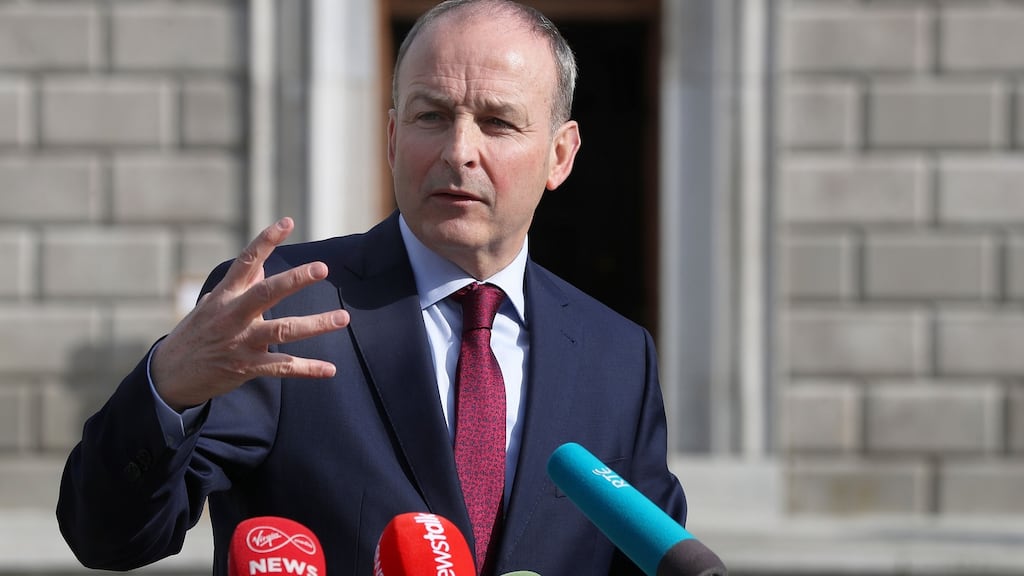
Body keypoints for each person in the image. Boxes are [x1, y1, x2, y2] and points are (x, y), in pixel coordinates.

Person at [56, 1, 687, 575]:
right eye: (431, 116)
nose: (459, 151)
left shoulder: (616, 355)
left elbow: (651, 556)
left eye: (497, 123)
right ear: (391, 138)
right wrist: (168, 385)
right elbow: (109, 538)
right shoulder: (282, 307)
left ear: (560, 155)